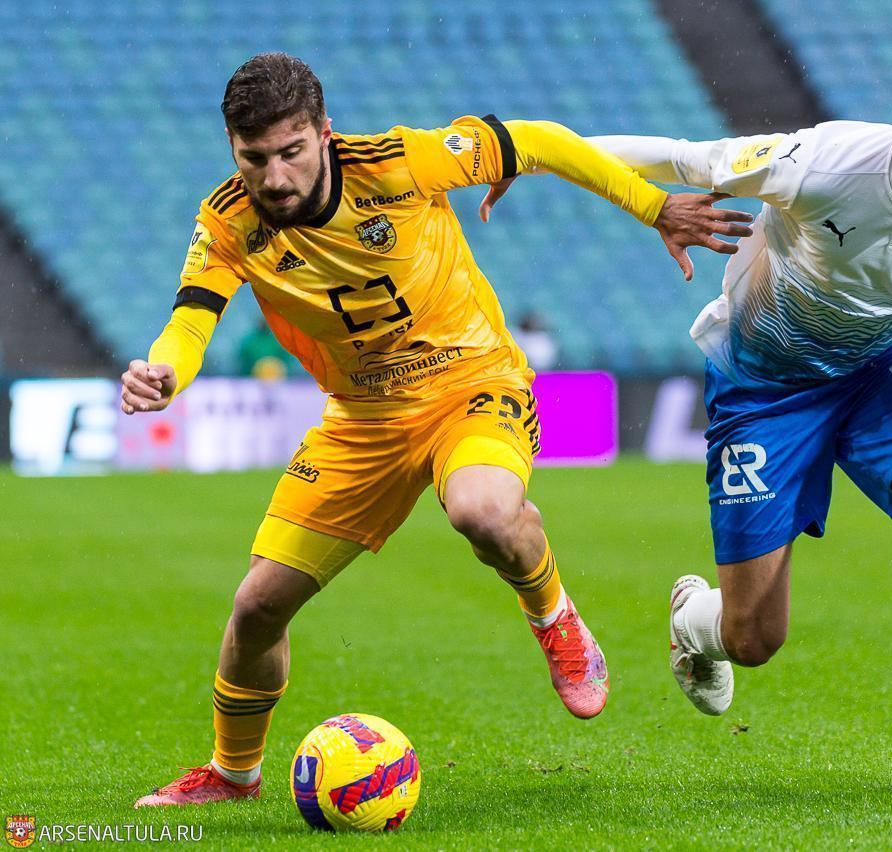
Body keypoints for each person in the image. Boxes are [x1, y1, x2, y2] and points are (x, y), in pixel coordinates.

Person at [492, 50, 892, 793]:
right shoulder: (827, 160)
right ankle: (692, 621)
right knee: (753, 639)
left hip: (875, 368)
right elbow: (682, 159)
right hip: (762, 384)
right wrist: (532, 153)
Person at [122, 52, 750, 808]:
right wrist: (164, 371)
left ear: (325, 133)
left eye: (292, 152)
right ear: (233, 148)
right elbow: (191, 320)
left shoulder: (400, 163)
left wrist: (655, 208)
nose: (276, 177)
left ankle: (554, 615)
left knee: (482, 510)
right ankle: (232, 775)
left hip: (470, 383)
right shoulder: (228, 221)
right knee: (257, 608)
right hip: (362, 421)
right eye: (255, 158)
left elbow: (540, 140)